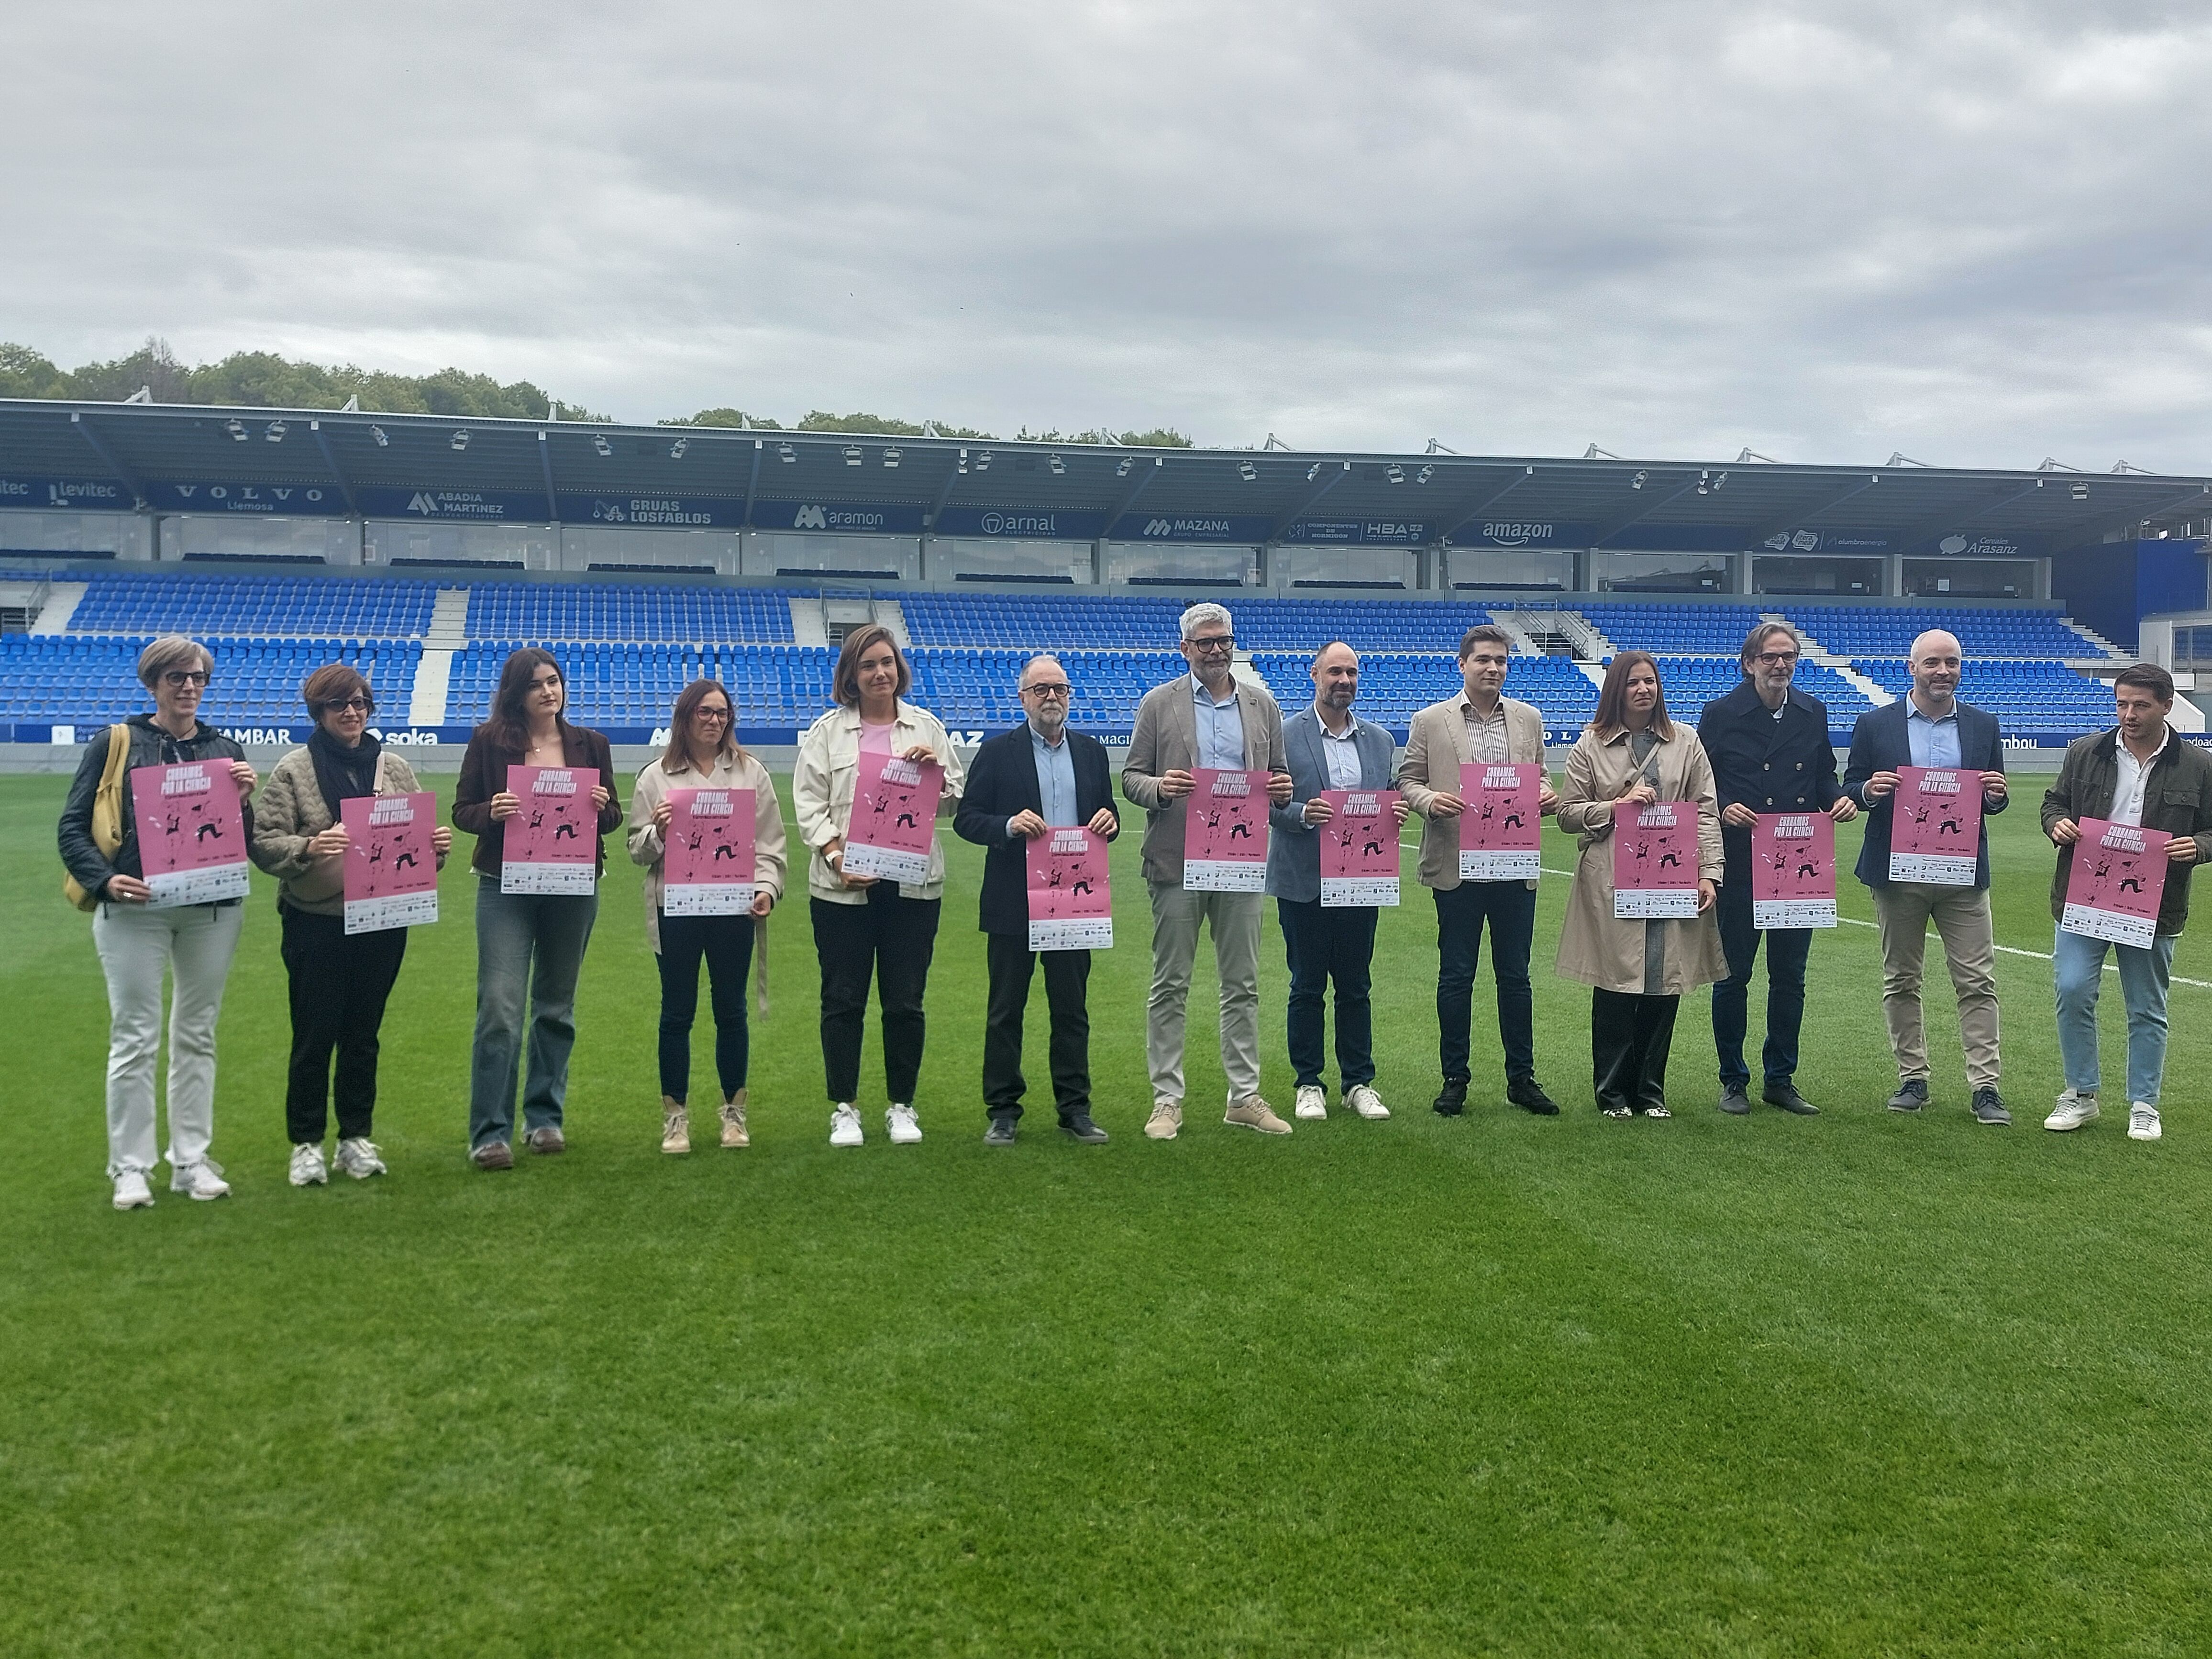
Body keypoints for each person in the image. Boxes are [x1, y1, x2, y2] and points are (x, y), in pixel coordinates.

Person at [58, 634, 258, 1209]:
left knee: (198, 1034)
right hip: (134, 910)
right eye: (177, 677)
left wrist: (244, 801)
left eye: (198, 678)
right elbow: (72, 825)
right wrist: (105, 880)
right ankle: (130, 1166)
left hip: (210, 912)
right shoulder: (115, 743)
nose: (189, 687)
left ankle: (191, 1159)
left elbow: (240, 843)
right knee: (134, 1036)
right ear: (153, 684)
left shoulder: (225, 747)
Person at [249, 663, 451, 1186]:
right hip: (316, 920)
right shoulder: (295, 769)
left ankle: (355, 1137)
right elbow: (264, 842)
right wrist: (309, 846)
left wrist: (435, 847)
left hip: (384, 918)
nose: (352, 712)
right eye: (339, 704)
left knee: (363, 1035)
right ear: (319, 711)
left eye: (360, 703)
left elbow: (417, 845)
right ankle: (306, 1142)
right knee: (314, 1035)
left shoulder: (394, 767)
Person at [1121, 601, 1294, 1139]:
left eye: (1224, 640)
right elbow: (1131, 778)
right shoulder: (1159, 703)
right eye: (1206, 642)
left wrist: (1282, 790)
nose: (1217, 650)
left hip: (1240, 863)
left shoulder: (1262, 705)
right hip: (1176, 861)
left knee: (1242, 983)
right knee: (1170, 983)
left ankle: (1243, 1096)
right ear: (1185, 649)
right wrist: (1161, 788)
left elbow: (1280, 777)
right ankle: (1166, 1100)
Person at [793, 623, 965, 1148]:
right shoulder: (826, 732)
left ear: (899, 668)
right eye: (867, 665)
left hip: (913, 888)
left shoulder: (926, 727)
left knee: (905, 1001)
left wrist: (938, 774)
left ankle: (902, 1105)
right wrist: (836, 856)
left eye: (887, 662)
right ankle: (845, 1107)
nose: (879, 673)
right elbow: (809, 805)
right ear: (851, 674)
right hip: (843, 889)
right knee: (843, 999)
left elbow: (955, 801)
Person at [452, 648, 621, 1170]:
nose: (549, 691)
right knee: (499, 1007)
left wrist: (601, 808)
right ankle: (490, 1132)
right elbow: (462, 810)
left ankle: (544, 1119)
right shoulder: (488, 742)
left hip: (573, 886)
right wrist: (492, 811)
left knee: (555, 1006)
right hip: (505, 886)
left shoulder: (591, 744)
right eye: (536, 685)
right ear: (516, 693)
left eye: (554, 681)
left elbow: (612, 816)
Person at [1841, 629, 2011, 1123]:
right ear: (1911, 668)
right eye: (1933, 663)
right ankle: (1913, 1078)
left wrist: (1996, 796)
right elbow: (1851, 787)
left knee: (1977, 981)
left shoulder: (1983, 725)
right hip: (1898, 874)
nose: (1943, 671)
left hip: (1962, 874)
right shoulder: (1874, 724)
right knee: (1901, 979)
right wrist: (1868, 790)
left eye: (1952, 663)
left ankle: (1985, 1087)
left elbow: (1993, 797)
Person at [2039, 663, 2212, 1142]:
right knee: (2073, 990)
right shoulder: (2084, 752)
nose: (2129, 714)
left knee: (2146, 1006)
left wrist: (2199, 846)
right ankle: (2080, 1093)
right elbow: (2054, 803)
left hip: (2154, 903)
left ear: (2166, 706)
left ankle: (2144, 1104)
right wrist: (2056, 824)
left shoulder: (2199, 765)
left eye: (2140, 705)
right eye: (2121, 704)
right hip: (2084, 895)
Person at [953, 653, 1120, 1145]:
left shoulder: (1090, 752)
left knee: (1071, 1010)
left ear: (1069, 696)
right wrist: (1007, 825)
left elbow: (1106, 811)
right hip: (1013, 900)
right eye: (1041, 689)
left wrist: (1108, 821)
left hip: (1075, 899)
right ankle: (1003, 1110)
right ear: (1023, 697)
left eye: (1060, 689)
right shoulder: (996, 752)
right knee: (1006, 1010)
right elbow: (967, 818)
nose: (1052, 697)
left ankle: (1075, 1108)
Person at [1399, 623, 1562, 1117]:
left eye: (1501, 661)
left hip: (1514, 866)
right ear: (1462, 664)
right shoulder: (1431, 720)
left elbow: (1541, 778)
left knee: (1515, 978)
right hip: (1457, 868)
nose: (1493, 668)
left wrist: (1546, 795)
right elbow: (1408, 780)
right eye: (1483, 660)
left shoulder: (1528, 718)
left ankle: (1522, 1079)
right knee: (1456, 977)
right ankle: (1455, 1079)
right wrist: (1429, 800)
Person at [1554, 652, 1725, 1118]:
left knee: (1663, 980)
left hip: (1671, 875)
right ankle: (1612, 1093)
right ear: (1616, 689)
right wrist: (1617, 806)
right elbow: (1567, 814)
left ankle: (1650, 1091)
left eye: (1650, 681)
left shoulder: (1685, 740)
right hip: (1611, 879)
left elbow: (1705, 809)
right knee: (1615, 982)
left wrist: (1709, 872)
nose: (1644, 690)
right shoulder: (1590, 744)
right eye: (1633, 683)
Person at [1697, 621, 1858, 1117]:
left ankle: (1780, 1079)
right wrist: (1724, 805)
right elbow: (1700, 781)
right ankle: (1733, 1079)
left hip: (1798, 862)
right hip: (1741, 861)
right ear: (1749, 664)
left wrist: (1839, 799)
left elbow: (1823, 776)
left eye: (1788, 656)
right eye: (1770, 657)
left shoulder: (1812, 711)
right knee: (1733, 976)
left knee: (1789, 977)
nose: (1780, 665)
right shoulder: (1720, 714)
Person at [628, 678, 786, 1155]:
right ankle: (675, 1117)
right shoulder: (655, 777)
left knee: (731, 1010)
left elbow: (770, 843)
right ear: (685, 717)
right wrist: (658, 833)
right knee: (677, 1012)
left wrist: (767, 889)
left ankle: (734, 1114)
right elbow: (636, 850)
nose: (714, 721)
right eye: (704, 712)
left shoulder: (751, 773)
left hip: (733, 908)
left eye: (722, 713)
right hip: (676, 908)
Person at [1265, 641, 1407, 1121]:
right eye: (1334, 672)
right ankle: (1308, 1083)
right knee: (1306, 986)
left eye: (1351, 673)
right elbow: (1265, 806)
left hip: (1361, 882)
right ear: (1315, 675)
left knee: (1355, 986)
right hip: (1303, 880)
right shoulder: (1283, 736)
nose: (1344, 681)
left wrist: (1396, 811)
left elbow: (1386, 798)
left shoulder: (1380, 741)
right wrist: (1303, 814)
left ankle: (1358, 1082)